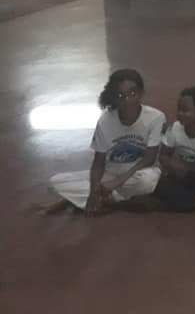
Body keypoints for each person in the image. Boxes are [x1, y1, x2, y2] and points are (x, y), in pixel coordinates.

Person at [49, 69, 163, 215]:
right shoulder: (105, 120)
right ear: (113, 97)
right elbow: (98, 163)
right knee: (56, 181)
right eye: (120, 96)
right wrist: (92, 192)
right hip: (111, 172)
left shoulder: (155, 117)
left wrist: (117, 182)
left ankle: (90, 199)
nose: (127, 100)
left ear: (141, 94)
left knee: (147, 181)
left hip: (139, 172)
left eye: (132, 94)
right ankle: (111, 199)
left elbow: (150, 158)